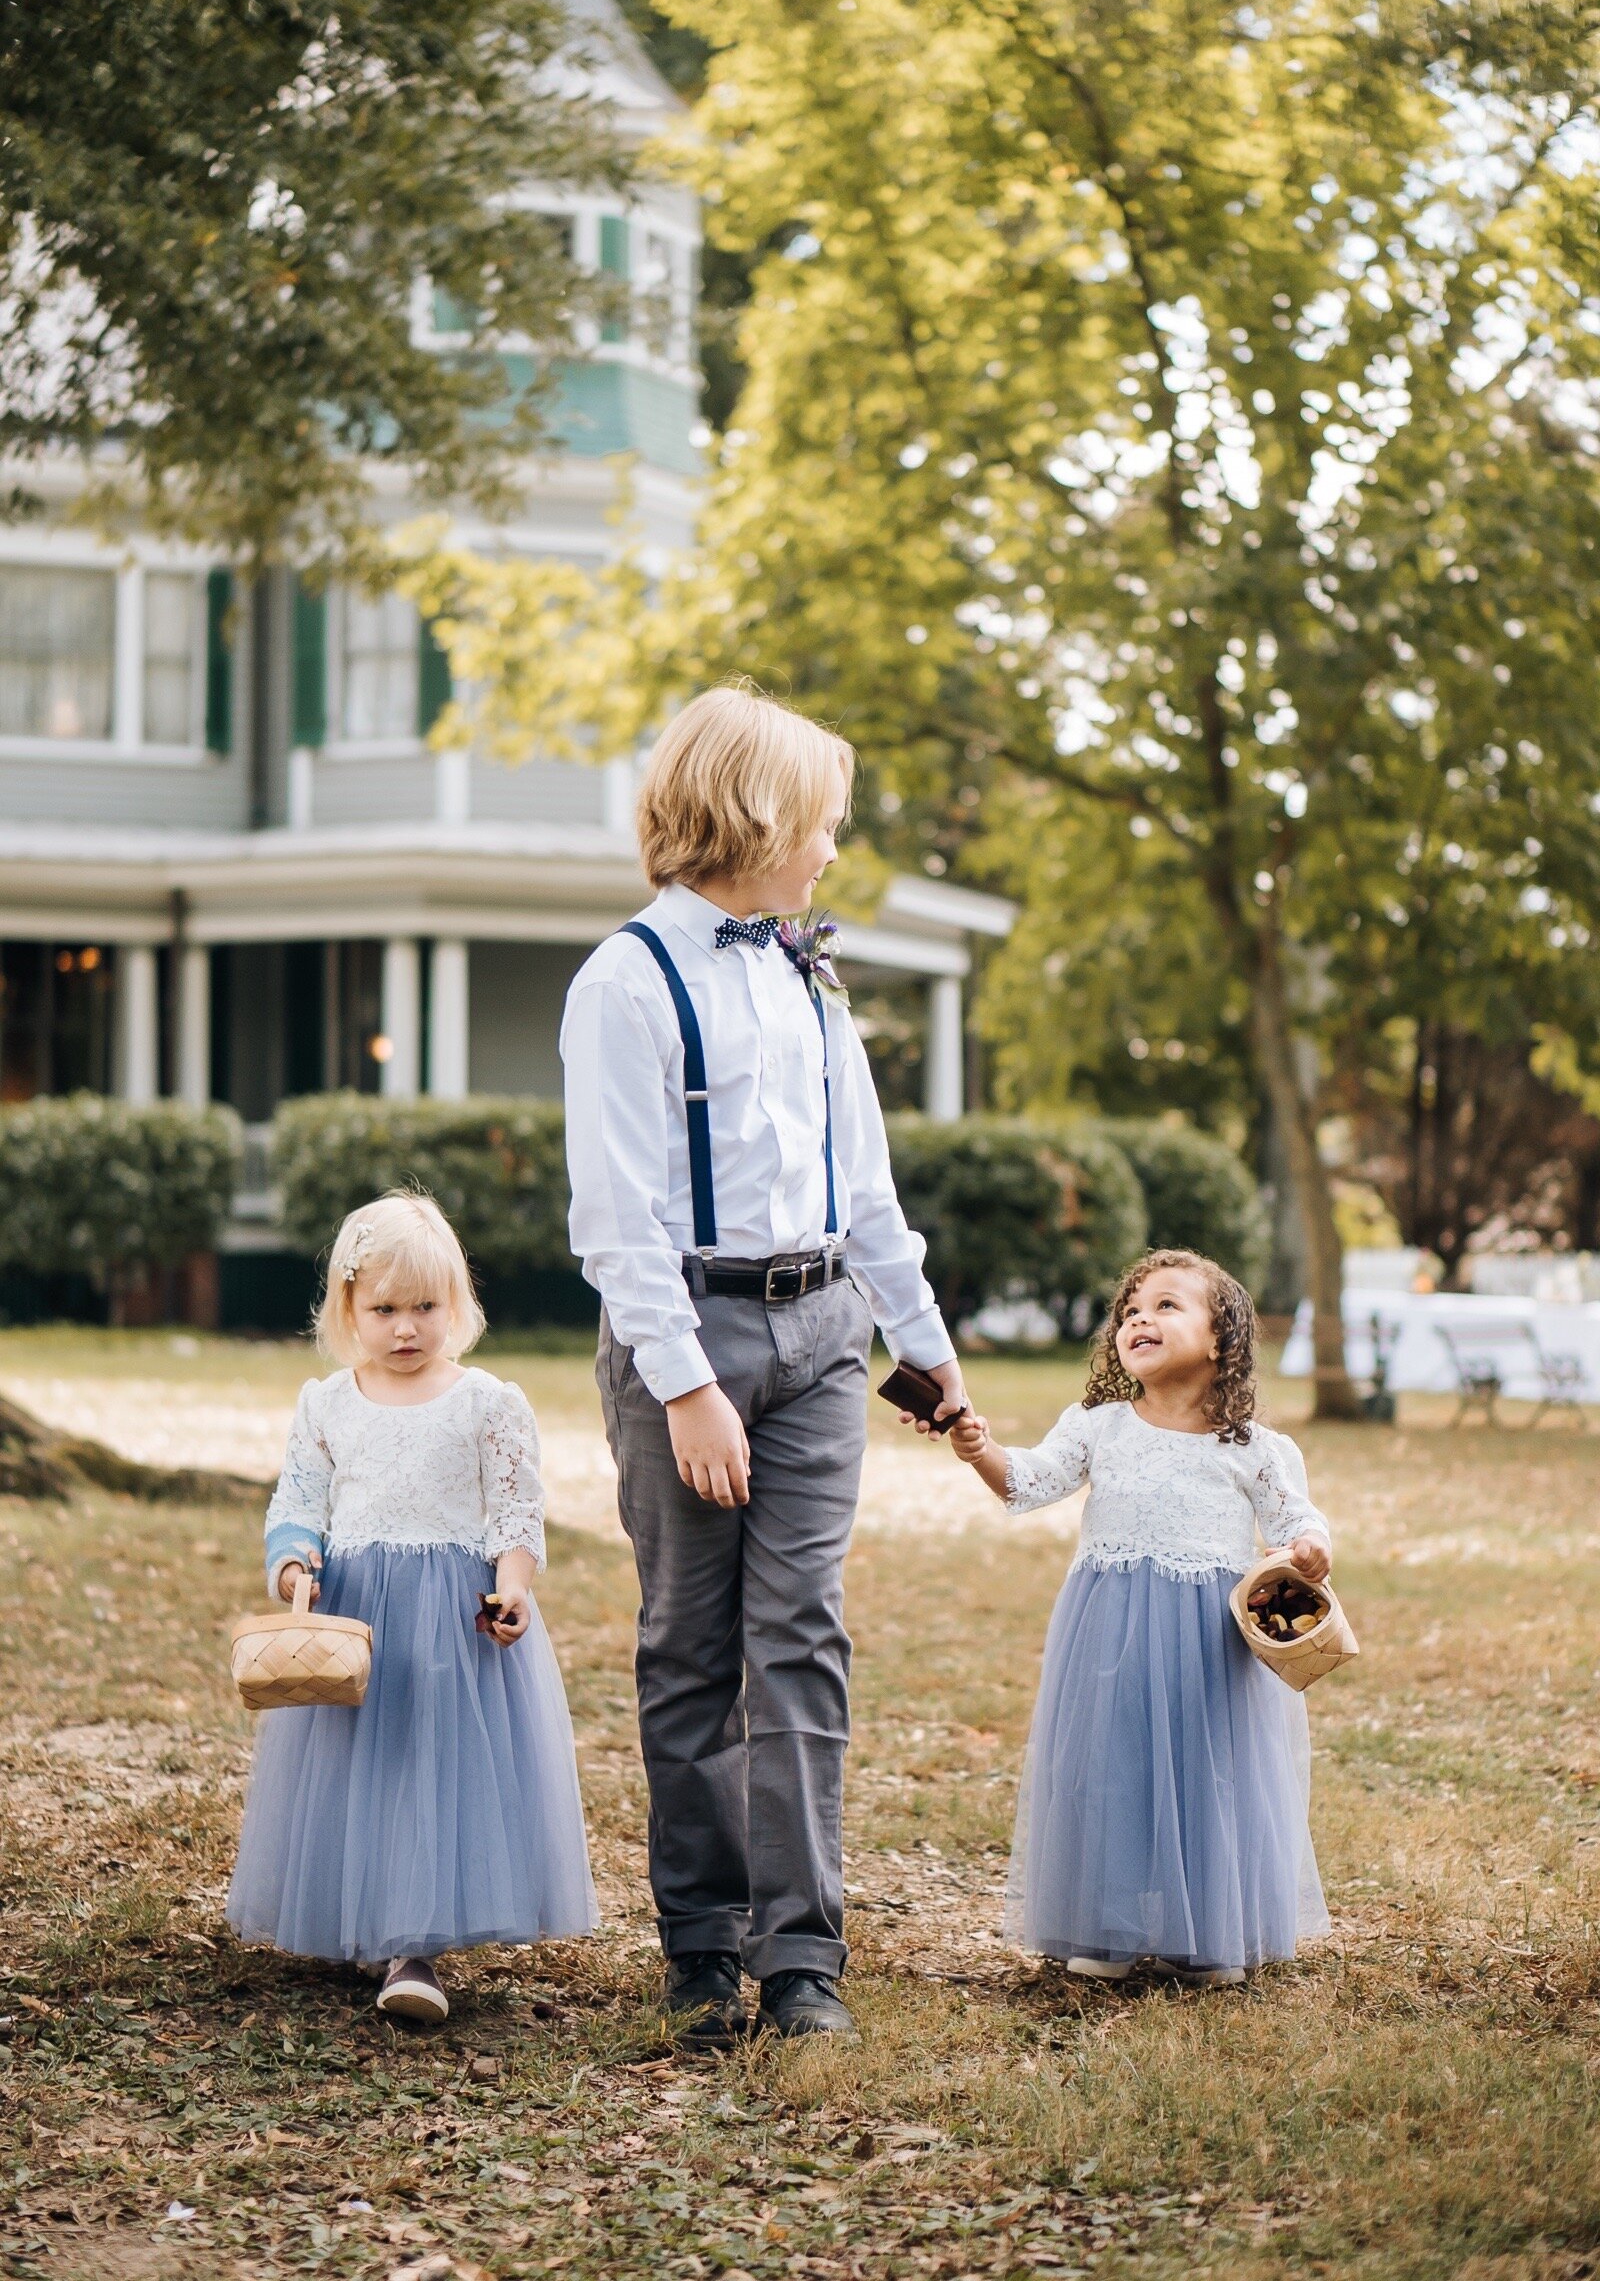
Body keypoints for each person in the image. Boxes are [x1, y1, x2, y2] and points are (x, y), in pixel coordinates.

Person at [561, 684, 963, 2043]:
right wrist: (683, 1388)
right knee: (690, 1647)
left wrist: (927, 1347)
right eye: (825, 824)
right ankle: (703, 1948)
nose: (833, 850)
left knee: (804, 1641)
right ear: (759, 814)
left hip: (823, 1333)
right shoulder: (627, 979)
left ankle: (804, 1959)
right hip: (691, 1331)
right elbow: (617, 1220)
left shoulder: (809, 976)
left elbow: (869, 1187)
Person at [226, 1192, 596, 2024]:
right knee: (367, 1766)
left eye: (425, 1307)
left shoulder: (487, 1402)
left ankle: (415, 1946)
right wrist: (293, 1567)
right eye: (384, 1308)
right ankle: (365, 1916)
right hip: (356, 1617)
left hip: (448, 1622)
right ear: (348, 1308)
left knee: (434, 1766)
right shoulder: (327, 1402)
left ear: (456, 1305)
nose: (405, 1328)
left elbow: (515, 1514)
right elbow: (298, 1502)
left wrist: (514, 1587)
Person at [946, 1248, 1331, 1985]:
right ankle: (1105, 1923)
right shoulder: (1101, 1424)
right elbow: (1028, 1482)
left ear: (1220, 1340)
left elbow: (1296, 1522)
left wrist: (1310, 1549)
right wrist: (980, 1450)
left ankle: (1207, 1933)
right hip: (1108, 1624)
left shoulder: (1252, 1447)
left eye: (1165, 1306)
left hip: (1210, 1637)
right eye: (1130, 1310)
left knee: (1209, 1772)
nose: (1139, 1319)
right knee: (1109, 1766)